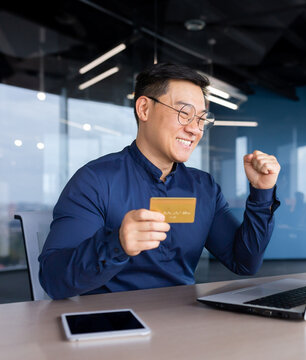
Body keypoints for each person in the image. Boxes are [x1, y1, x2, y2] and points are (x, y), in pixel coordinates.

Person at [38, 63, 281, 300]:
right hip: (114, 325)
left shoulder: (203, 187)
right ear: (144, 109)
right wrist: (117, 243)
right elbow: (53, 280)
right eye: (184, 113)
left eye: (201, 119)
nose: (195, 129)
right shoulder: (95, 181)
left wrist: (262, 192)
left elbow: (244, 262)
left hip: (183, 322)